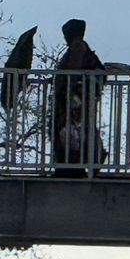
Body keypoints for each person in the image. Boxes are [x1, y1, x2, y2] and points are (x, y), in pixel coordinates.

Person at [50, 19, 104, 172]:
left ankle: (71, 165)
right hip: (76, 100)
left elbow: (72, 72)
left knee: (70, 132)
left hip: (73, 101)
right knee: (77, 131)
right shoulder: (81, 48)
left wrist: (66, 87)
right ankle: (78, 163)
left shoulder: (77, 47)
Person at [51, 88, 106, 177]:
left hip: (78, 160)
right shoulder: (65, 126)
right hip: (68, 161)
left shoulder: (86, 128)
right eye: (75, 110)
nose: (76, 112)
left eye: (78, 109)